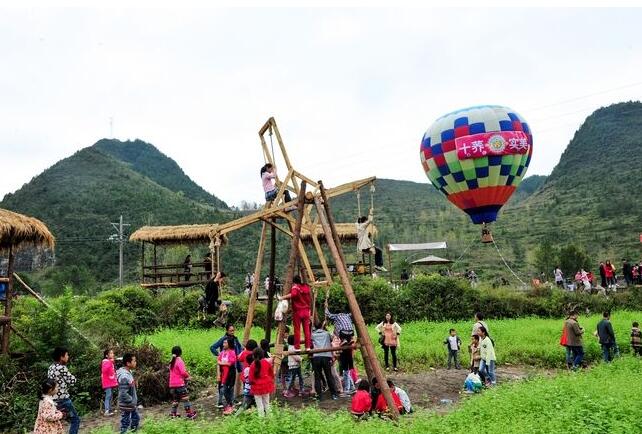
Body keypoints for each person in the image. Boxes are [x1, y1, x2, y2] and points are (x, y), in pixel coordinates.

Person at [47, 347, 80, 434]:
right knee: (75, 420)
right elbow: (72, 381)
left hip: (52, 400)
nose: (68, 357)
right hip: (63, 399)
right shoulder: (62, 368)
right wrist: (73, 377)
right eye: (67, 355)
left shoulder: (51, 367)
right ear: (61, 357)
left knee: (57, 423)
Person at [324, 302, 355, 394]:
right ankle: (349, 339)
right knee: (346, 371)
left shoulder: (336, 316)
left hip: (343, 334)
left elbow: (328, 314)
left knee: (345, 371)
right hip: (351, 332)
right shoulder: (347, 315)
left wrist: (326, 307)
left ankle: (347, 388)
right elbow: (353, 313)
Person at [210, 323, 243, 407]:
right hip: (224, 366)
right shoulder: (223, 339)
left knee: (230, 384)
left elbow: (239, 349)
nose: (232, 332)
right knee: (222, 384)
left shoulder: (235, 339)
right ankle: (220, 401)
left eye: (233, 330)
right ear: (227, 331)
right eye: (231, 331)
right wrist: (219, 354)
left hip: (232, 365)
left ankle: (231, 400)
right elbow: (212, 347)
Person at [279, 275, 312, 350]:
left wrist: (283, 297)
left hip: (298, 311)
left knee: (297, 330)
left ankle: (297, 347)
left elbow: (293, 294)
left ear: (294, 282)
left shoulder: (295, 287)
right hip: (306, 311)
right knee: (306, 330)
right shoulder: (306, 287)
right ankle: (308, 346)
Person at [311, 320, 339, 400]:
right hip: (326, 356)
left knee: (317, 377)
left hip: (316, 357)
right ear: (322, 326)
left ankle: (319, 396)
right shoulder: (326, 334)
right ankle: (334, 394)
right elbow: (332, 339)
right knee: (329, 375)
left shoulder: (312, 334)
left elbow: (310, 341)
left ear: (315, 327)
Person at [168, 346, 196, 419]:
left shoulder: (171, 361)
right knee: (185, 399)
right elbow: (183, 372)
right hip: (179, 384)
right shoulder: (179, 360)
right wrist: (188, 376)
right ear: (180, 353)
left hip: (172, 385)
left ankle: (173, 413)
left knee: (176, 400)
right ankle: (189, 414)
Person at [249, 348, 275, 417]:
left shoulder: (252, 365)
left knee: (259, 405)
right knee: (267, 403)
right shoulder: (266, 362)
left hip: (256, 387)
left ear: (254, 356)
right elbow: (271, 374)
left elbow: (251, 379)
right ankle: (270, 418)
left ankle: (261, 420)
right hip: (266, 386)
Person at [117, 353, 139, 434]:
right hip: (127, 404)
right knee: (126, 423)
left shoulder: (129, 372)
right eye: (134, 361)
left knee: (135, 419)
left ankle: (132, 431)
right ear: (128, 363)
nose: (135, 362)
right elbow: (123, 393)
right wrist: (131, 400)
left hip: (130, 404)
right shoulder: (124, 376)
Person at [217, 338, 237, 415]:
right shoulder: (222, 352)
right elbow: (218, 361)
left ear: (229, 344)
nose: (223, 344)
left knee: (228, 389)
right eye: (223, 343)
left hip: (230, 374)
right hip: (223, 374)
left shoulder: (232, 352)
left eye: (225, 343)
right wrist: (224, 363)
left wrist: (221, 363)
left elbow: (230, 363)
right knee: (223, 390)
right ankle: (230, 404)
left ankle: (230, 405)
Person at [101, 349, 118, 417]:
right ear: (106, 355)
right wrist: (110, 362)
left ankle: (110, 409)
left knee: (111, 395)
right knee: (108, 395)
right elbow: (104, 370)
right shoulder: (105, 361)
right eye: (111, 353)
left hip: (110, 382)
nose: (112, 354)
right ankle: (106, 411)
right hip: (107, 382)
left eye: (113, 353)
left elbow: (112, 371)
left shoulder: (110, 362)